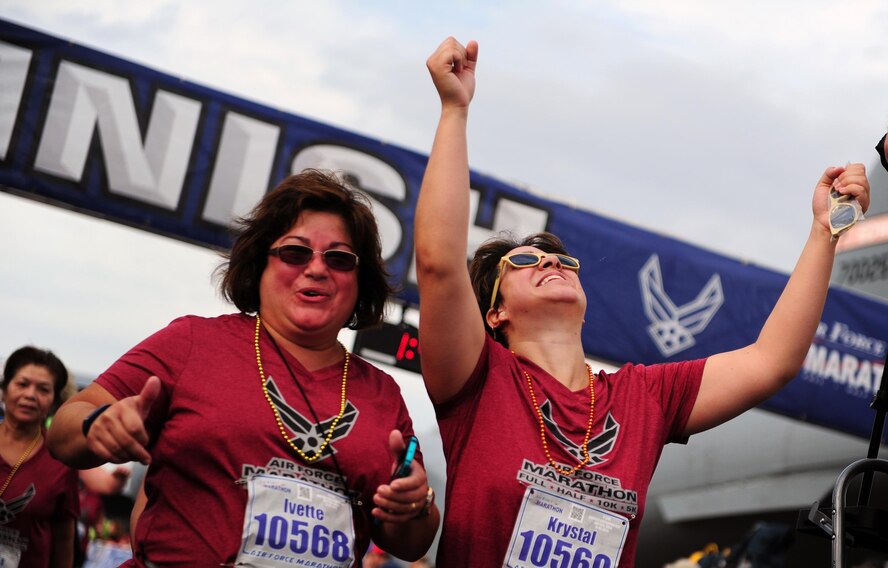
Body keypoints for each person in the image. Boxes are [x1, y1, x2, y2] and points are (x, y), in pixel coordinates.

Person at [414, 37, 870, 567]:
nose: (549, 263)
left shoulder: (641, 399)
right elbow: (440, 264)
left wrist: (823, 232)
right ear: (495, 314)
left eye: (561, 260)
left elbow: (773, 361)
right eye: (523, 262)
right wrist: (454, 110)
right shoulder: (477, 380)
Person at [47, 170, 439, 566]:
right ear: (259, 264)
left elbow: (411, 543)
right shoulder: (192, 342)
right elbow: (64, 430)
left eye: (339, 258)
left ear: (360, 281)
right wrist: (96, 424)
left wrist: (414, 505)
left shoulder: (382, 393)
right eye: (295, 252)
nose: (317, 269)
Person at [0, 346, 78, 567]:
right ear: (4, 390)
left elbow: (64, 538)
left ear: (54, 402)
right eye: (22, 384)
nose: (30, 395)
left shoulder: (61, 459)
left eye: (43, 389)